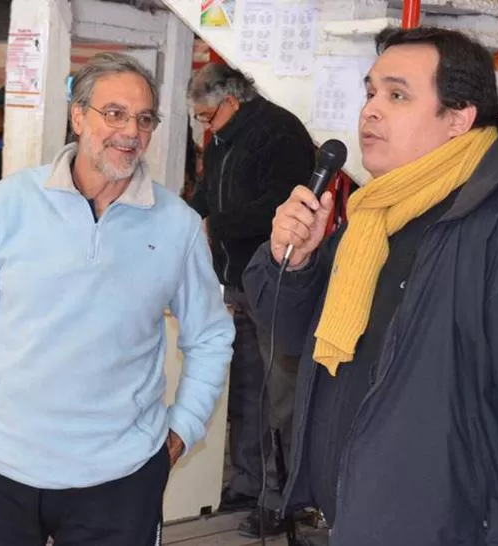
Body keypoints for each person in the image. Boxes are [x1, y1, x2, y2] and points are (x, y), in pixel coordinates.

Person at [243, 26, 498, 545]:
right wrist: (296, 262)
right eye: (371, 92)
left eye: (397, 95)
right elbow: (291, 338)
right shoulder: (375, 220)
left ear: (459, 118)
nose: (370, 110)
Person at [0, 52, 235, 546]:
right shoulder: (12, 202)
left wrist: (182, 430)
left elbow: (212, 336)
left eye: (143, 118)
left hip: (119, 480)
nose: (130, 131)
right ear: (78, 115)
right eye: (114, 114)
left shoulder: (177, 226)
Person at [187, 62, 317, 537]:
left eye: (207, 116)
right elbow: (208, 194)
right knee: (244, 391)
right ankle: (244, 486)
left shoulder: (278, 133)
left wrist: (215, 227)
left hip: (276, 283)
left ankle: (282, 498)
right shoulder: (225, 139)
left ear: (232, 101)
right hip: (238, 281)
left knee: (275, 394)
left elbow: (279, 207)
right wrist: (185, 219)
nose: (205, 126)